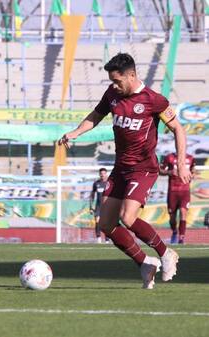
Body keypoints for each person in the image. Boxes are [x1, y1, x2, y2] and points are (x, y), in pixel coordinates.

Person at [59, 53, 191, 289]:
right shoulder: (112, 94)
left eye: (118, 81)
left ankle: (166, 252)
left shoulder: (153, 100)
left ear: (131, 76)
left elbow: (178, 129)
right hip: (120, 168)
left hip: (144, 169)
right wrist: (75, 133)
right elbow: (95, 116)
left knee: (127, 217)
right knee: (106, 225)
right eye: (111, 80)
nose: (114, 85)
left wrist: (181, 163)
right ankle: (144, 263)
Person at [160, 152, 196, 244]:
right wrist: (169, 172)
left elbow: (193, 171)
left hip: (185, 191)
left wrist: (192, 175)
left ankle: (181, 238)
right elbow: (160, 170)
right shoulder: (169, 157)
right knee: (172, 217)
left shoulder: (190, 158)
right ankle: (174, 232)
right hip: (172, 192)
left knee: (183, 213)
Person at [90, 168, 108, 243]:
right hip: (98, 206)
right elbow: (92, 195)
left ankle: (107, 240)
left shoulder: (109, 183)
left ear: (106, 174)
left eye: (104, 173)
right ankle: (99, 239)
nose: (102, 175)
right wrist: (91, 207)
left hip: (107, 206)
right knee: (97, 221)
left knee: (107, 223)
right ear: (99, 174)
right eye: (101, 173)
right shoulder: (96, 183)